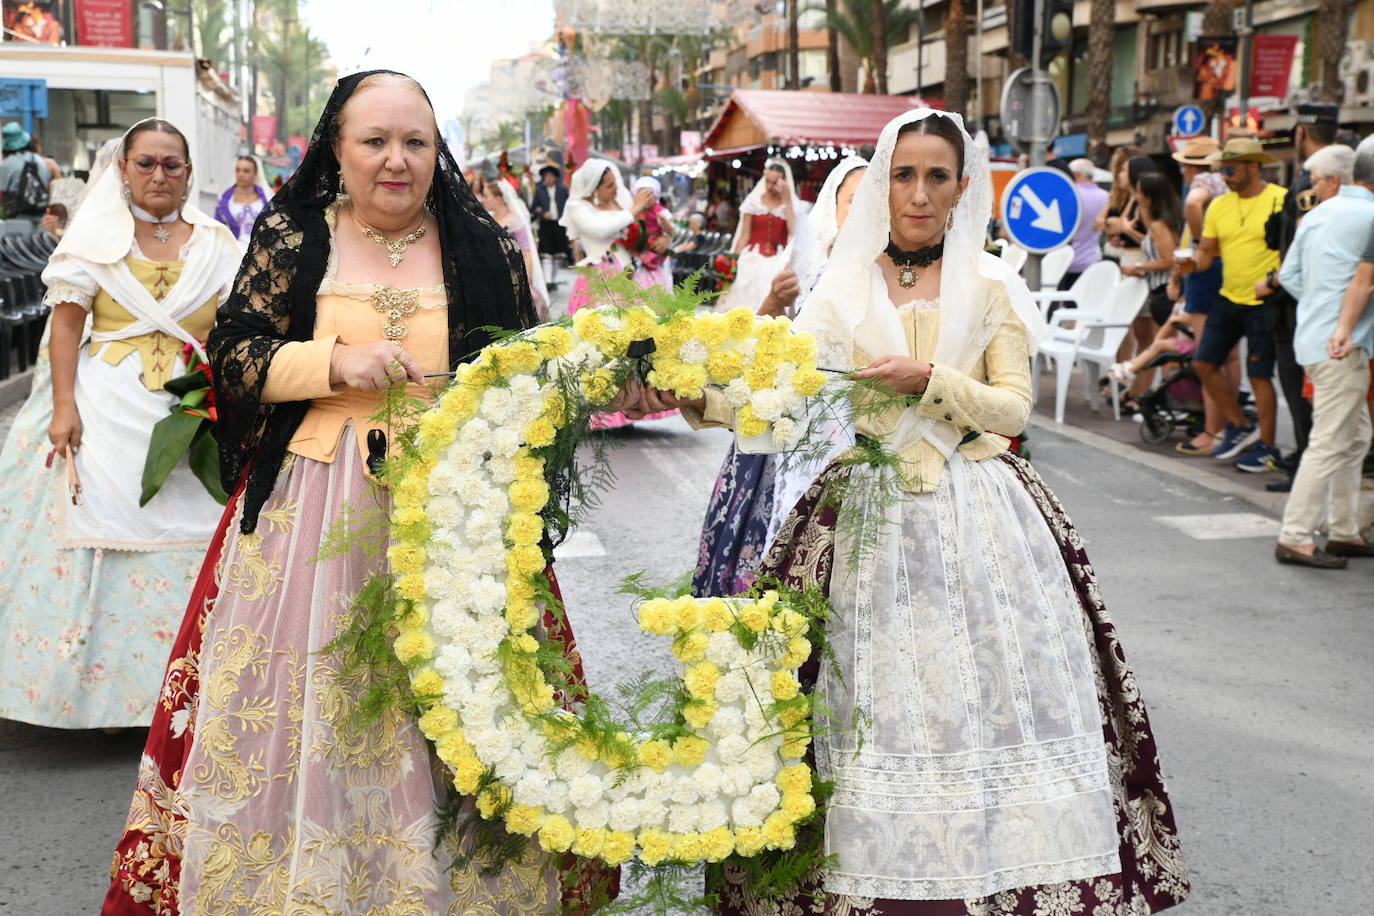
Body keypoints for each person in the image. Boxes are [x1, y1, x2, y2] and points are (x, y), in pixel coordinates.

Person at [634, 109, 1188, 916]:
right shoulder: (842, 289)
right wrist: (701, 396)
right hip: (867, 520)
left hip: (983, 514)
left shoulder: (993, 284)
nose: (919, 194)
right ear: (882, 183)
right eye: (904, 175)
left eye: (937, 177)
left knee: (986, 696)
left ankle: (1002, 870)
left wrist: (929, 380)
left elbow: (1011, 414)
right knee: (872, 697)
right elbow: (784, 398)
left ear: (964, 188)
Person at [99, 71, 612, 914]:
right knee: (313, 706)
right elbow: (233, 354)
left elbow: (531, 369)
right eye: (375, 141)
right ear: (336, 147)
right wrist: (334, 362)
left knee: (457, 711)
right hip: (316, 508)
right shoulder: (296, 235)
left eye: (414, 142)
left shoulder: (481, 244)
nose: (396, 161)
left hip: (456, 517)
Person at [0, 118, 242, 729]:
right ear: (123, 169)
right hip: (105, 409)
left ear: (188, 173)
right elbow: (65, 327)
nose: (159, 175)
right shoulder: (93, 241)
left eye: (172, 164)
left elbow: (238, 331)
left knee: (203, 535)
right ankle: (116, 701)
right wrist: (62, 406)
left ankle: (199, 693)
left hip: (192, 412)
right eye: (146, 163)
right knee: (108, 538)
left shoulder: (216, 242)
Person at [691, 156, 865, 599]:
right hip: (786, 426)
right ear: (834, 208)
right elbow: (766, 340)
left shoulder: (894, 276)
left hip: (854, 429)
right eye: (853, 201)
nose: (864, 211)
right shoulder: (811, 265)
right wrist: (771, 299)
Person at [1273, 141, 1374, 569]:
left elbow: (1288, 276)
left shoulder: (1317, 216)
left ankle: (1344, 529)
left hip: (1318, 337)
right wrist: (1341, 317)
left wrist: (1321, 305)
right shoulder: (1367, 215)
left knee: (1353, 439)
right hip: (1344, 344)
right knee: (1332, 442)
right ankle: (1296, 535)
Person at [1177, 137, 1287, 473]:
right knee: (1204, 363)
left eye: (1231, 169)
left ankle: (1268, 447)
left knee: (1259, 376)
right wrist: (1191, 266)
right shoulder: (1221, 206)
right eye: (1223, 169)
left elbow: (1293, 251)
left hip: (1264, 300)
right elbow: (1208, 254)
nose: (1225, 176)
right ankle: (1240, 424)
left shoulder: (1280, 200)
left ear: (1254, 166)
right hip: (1228, 296)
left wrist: (1274, 283)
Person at [1261, 102, 1339, 490]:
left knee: (1299, 382)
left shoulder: (1312, 180)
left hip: (1298, 301)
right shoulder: (1336, 173)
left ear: (1301, 134)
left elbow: (1300, 248)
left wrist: (1273, 283)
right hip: (1320, 298)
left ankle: (1306, 464)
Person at [1169, 136, 1234, 456]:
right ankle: (1230, 426)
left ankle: (1213, 429)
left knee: (1208, 354)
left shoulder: (1205, 179)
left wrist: (1198, 239)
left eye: (1182, 165)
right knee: (1229, 357)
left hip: (1205, 269)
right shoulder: (1227, 181)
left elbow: (1194, 203)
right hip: (1226, 266)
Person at [1113, 173, 1183, 405]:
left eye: (1139, 192)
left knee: (1168, 352)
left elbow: (1167, 258)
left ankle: (1173, 400)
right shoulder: (1158, 223)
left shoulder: (1159, 225)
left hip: (1163, 292)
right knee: (1163, 348)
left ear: (1150, 197)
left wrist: (1139, 266)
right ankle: (1156, 399)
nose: (1136, 195)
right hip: (1162, 292)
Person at [717, 159, 799, 312]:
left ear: (783, 182)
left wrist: (787, 201)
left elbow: (794, 233)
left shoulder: (790, 206)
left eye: (775, 183)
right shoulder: (753, 202)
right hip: (751, 258)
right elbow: (744, 236)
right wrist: (732, 262)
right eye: (767, 181)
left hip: (777, 259)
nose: (770, 187)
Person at [481, 176, 551, 318]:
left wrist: (527, 281)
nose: (483, 199)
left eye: (486, 196)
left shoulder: (514, 221)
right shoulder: (488, 218)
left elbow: (526, 252)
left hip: (512, 276)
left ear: (499, 199)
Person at [1061, 157, 1108, 289]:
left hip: (1064, 261)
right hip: (1091, 260)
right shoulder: (1105, 196)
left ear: (1076, 174)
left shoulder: (1069, 194)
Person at [213, 155, 270, 246]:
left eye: (246, 171)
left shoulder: (267, 199)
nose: (241, 174)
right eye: (238, 170)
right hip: (233, 251)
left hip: (261, 250)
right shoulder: (224, 201)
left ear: (255, 174)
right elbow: (217, 229)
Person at [0, 121, 52, 221]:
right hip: (42, 218)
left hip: (16, 220)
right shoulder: (39, 160)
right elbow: (48, 186)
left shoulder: (6, 165)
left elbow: (1, 196)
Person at [629, 175, 675, 288]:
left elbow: (671, 231)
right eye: (643, 195)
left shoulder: (659, 210)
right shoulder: (632, 210)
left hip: (654, 245)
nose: (647, 198)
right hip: (637, 247)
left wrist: (664, 223)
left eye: (650, 194)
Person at [530, 163, 571, 288]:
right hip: (545, 225)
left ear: (555, 177)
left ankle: (553, 281)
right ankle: (547, 281)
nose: (548, 178)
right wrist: (542, 213)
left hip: (559, 224)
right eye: (546, 176)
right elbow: (533, 209)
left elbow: (569, 206)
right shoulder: (539, 190)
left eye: (550, 176)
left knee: (557, 254)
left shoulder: (562, 189)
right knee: (547, 254)